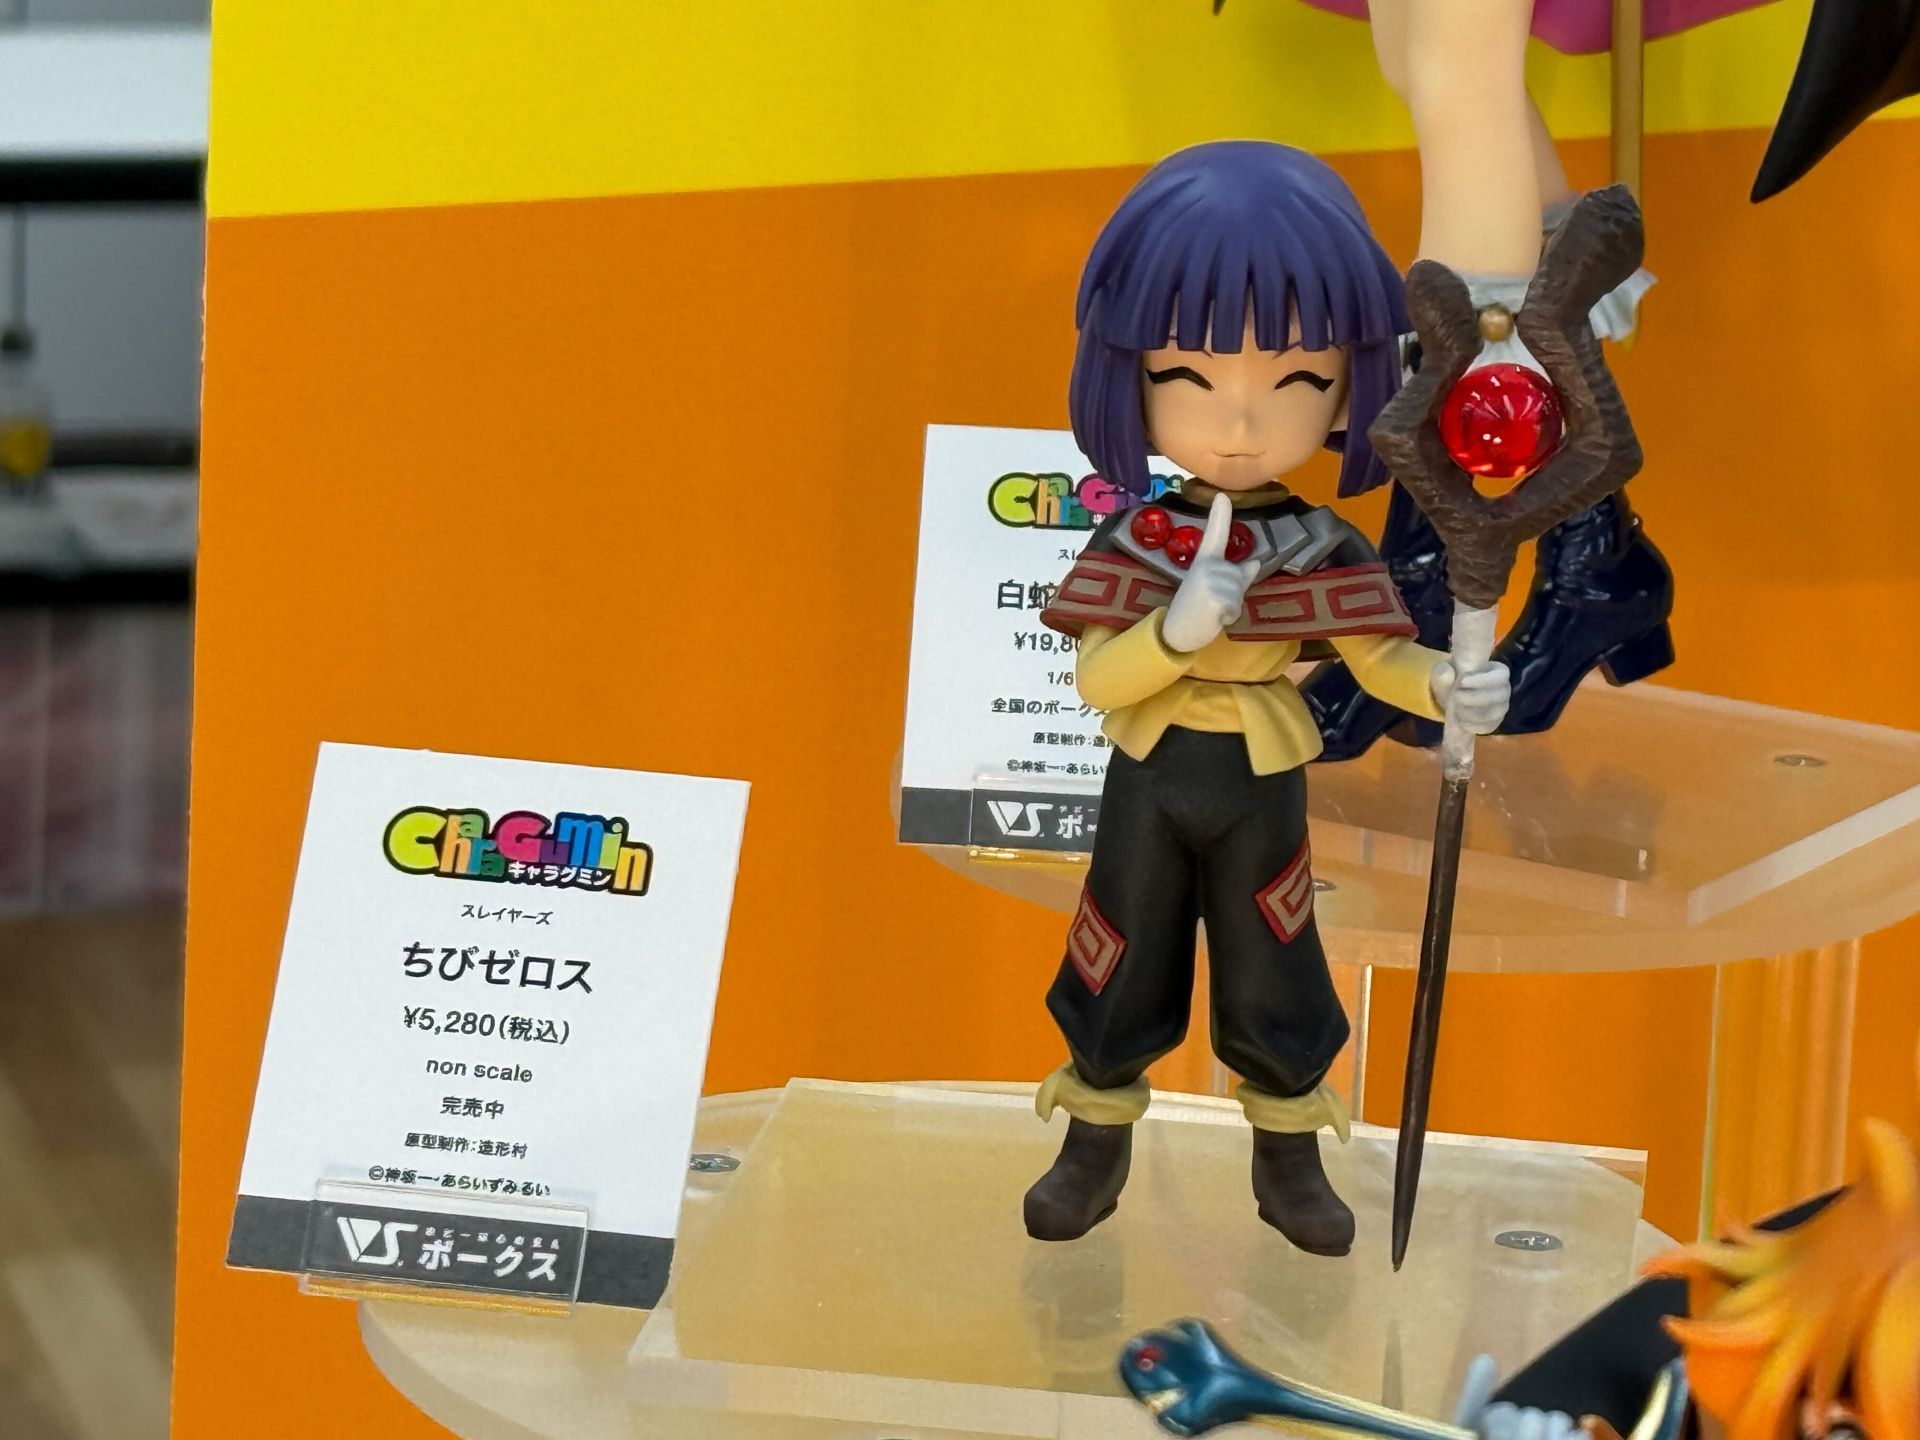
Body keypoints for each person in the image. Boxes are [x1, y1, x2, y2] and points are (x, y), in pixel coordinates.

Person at [1026, 139, 1511, 1255]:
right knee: (1119, 942)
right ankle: (1094, 1134)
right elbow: (1097, 677)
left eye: (1296, 383)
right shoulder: (1136, 539)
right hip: (1150, 769)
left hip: (1261, 776)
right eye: (1187, 378)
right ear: (1128, 375)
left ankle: (1288, 1151)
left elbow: (1376, 659)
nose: (1240, 424)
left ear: (1350, 386)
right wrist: (1176, 630)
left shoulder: (1321, 543)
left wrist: (1448, 685)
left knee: (1277, 951)